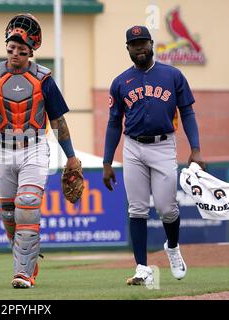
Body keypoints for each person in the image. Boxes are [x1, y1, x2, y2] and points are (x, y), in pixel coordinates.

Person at [0, 13, 81, 289]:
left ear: (31, 51)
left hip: (35, 148)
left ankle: (23, 273)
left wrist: (71, 156)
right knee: (8, 215)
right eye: (11, 49)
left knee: (27, 204)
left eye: (21, 50)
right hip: (3, 149)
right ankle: (27, 259)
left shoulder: (44, 78)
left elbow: (58, 120)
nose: (15, 53)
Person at [102, 25, 206, 285]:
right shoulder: (120, 82)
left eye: (143, 42)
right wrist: (106, 161)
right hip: (133, 146)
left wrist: (195, 148)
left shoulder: (172, 75)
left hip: (163, 145)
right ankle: (142, 267)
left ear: (151, 43)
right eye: (134, 44)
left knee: (166, 209)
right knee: (136, 208)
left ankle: (172, 247)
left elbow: (188, 113)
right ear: (127, 48)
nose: (139, 48)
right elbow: (114, 123)